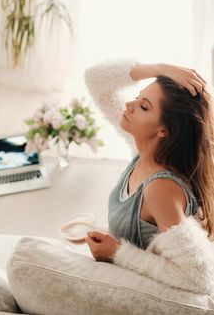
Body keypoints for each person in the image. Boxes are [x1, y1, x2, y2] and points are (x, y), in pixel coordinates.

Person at [84, 61, 214, 263]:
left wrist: (118, 252)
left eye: (144, 106)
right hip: (117, 269)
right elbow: (94, 79)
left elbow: (195, 277)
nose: (128, 105)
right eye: (137, 98)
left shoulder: (160, 188)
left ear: (163, 130)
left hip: (132, 287)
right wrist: (160, 69)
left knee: (27, 252)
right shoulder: (145, 149)